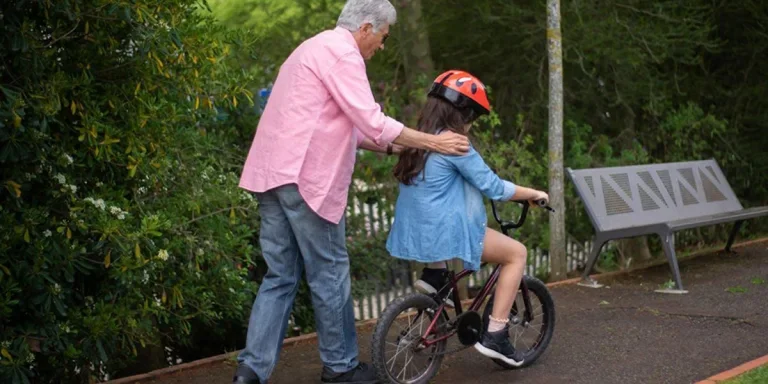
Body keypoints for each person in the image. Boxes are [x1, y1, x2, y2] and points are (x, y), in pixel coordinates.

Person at [232, 1, 472, 383]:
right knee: (329, 274)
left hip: (270, 174)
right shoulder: (343, 54)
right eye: (382, 37)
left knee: (279, 277)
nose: (381, 46)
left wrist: (409, 146)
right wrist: (435, 143)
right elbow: (373, 121)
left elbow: (357, 131)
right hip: (305, 178)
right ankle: (341, 368)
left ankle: (250, 370)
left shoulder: (308, 50)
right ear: (365, 27)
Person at [385, 69, 550, 366]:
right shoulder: (455, 144)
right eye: (473, 116)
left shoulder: (420, 140)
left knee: (446, 222)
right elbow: (494, 187)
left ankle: (436, 277)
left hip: (416, 231)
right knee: (516, 254)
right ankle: (497, 335)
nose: (472, 124)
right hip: (446, 232)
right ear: (463, 113)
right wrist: (532, 193)